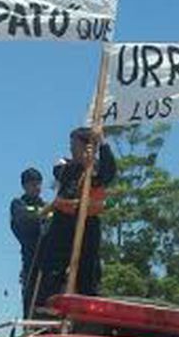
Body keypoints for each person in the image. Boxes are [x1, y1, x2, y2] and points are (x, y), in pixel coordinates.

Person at [30, 127, 117, 313]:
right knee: (54, 266)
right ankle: (48, 305)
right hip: (64, 223)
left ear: (87, 147)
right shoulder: (66, 168)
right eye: (71, 145)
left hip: (88, 224)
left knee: (88, 268)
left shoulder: (98, 169)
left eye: (74, 145)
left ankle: (88, 307)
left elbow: (108, 173)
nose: (71, 149)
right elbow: (60, 172)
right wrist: (82, 166)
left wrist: (102, 145)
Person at [11, 166, 49, 312]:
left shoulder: (46, 205)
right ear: (25, 186)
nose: (37, 187)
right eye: (33, 184)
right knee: (31, 303)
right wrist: (41, 216)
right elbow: (23, 223)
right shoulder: (19, 204)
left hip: (48, 263)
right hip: (31, 261)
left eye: (39, 183)